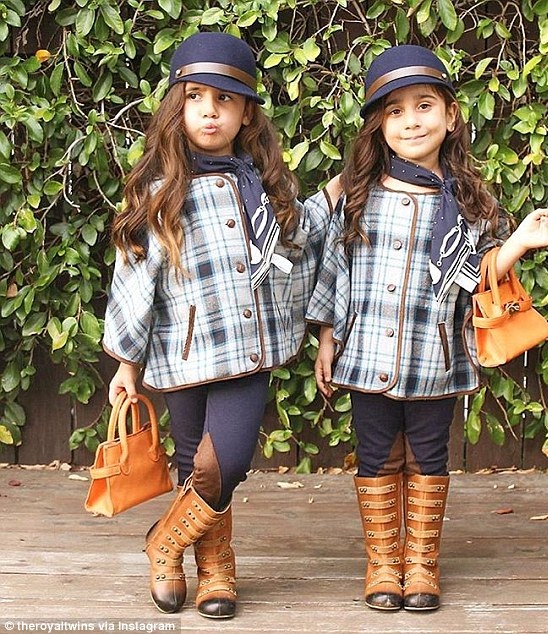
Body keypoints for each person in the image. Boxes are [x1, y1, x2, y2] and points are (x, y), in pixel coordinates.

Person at [306, 45, 548, 613]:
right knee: (376, 454)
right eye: (395, 111)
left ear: (450, 115)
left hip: (435, 354)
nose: (411, 121)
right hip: (366, 352)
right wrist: (326, 337)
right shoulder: (359, 193)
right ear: (379, 125)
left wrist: (518, 243)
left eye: (424, 106)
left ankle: (421, 563)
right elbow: (332, 266)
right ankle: (382, 563)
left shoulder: (469, 201)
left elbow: (478, 275)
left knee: (427, 455)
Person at [103, 32, 332, 620]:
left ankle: (164, 541)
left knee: (223, 463)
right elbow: (134, 281)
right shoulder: (158, 194)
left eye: (225, 99)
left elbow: (300, 245)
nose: (210, 111)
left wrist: (333, 196)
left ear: (246, 112)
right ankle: (214, 568)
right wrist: (127, 364)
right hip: (181, 352)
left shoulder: (270, 188)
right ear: (177, 107)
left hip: (247, 348)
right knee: (192, 460)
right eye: (196, 97)